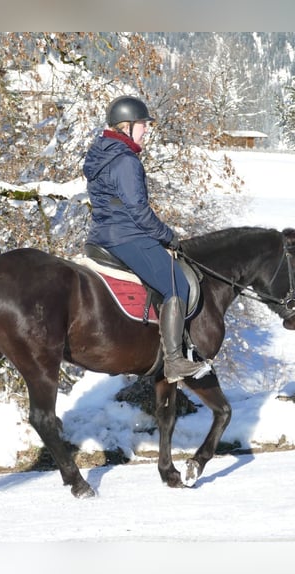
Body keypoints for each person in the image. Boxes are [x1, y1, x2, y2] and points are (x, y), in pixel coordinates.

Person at [83, 95, 209, 383]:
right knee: (176, 285)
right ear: (125, 126)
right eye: (142, 124)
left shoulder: (102, 153)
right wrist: (168, 236)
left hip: (101, 233)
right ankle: (175, 361)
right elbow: (138, 211)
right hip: (126, 236)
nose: (146, 130)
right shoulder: (126, 161)